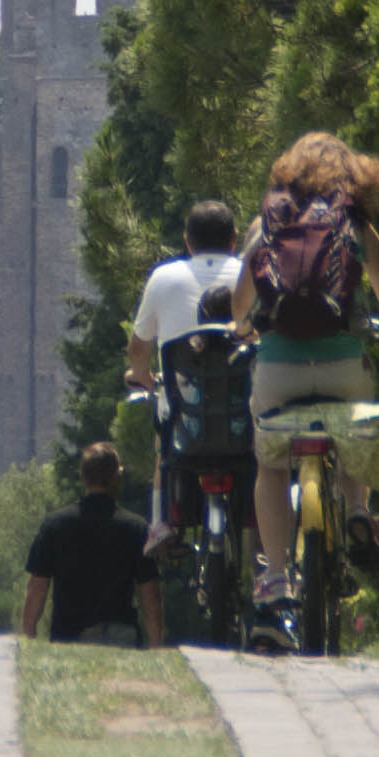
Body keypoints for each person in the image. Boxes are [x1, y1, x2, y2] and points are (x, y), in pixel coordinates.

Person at [239, 131, 379, 631]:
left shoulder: (267, 223)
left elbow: (237, 305)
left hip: (277, 370)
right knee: (353, 431)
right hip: (342, 366)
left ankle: (275, 573)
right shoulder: (352, 222)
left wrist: (242, 327)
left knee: (270, 463)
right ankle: (357, 509)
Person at [126, 199, 242, 551]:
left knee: (165, 433)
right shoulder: (251, 274)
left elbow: (138, 347)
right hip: (242, 419)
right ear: (234, 239)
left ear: (187, 242)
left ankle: (161, 522)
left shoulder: (163, 278)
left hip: (186, 425)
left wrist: (141, 374)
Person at [19, 442, 163, 648]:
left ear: (83, 478)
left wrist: (29, 636)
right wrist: (157, 643)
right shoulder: (136, 528)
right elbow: (150, 593)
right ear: (116, 478)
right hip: (122, 636)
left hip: (69, 635)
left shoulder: (55, 524)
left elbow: (37, 587)